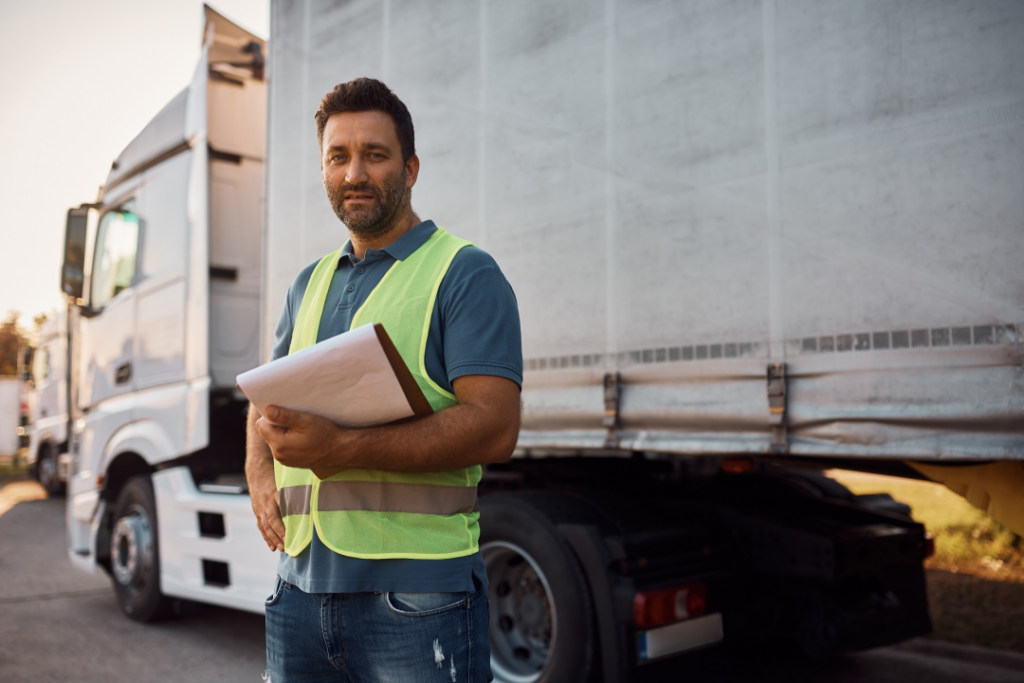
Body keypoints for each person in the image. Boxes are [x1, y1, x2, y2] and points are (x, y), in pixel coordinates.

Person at [245, 77, 522, 682]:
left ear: (411, 167)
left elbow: (495, 427)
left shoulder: (464, 272)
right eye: (338, 157)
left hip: (418, 598)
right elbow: (264, 396)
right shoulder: (307, 282)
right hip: (297, 590)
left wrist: (343, 450)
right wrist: (258, 471)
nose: (354, 174)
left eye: (375, 154)